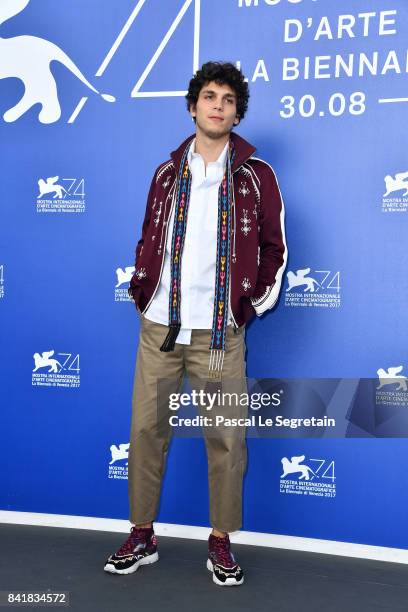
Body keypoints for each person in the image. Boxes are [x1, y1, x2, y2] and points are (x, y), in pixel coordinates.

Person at [104, 61, 287, 586]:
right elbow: (148, 240)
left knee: (227, 439)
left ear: (236, 113)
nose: (218, 106)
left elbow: (276, 250)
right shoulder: (166, 173)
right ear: (193, 106)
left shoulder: (257, 175)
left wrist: (242, 311)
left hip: (219, 335)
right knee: (145, 430)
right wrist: (143, 292)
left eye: (228, 100)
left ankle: (220, 541)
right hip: (160, 327)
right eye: (210, 96)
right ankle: (142, 533)